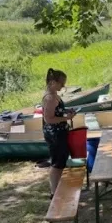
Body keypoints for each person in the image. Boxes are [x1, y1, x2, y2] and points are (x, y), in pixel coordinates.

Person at [42, 68, 76, 198]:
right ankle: (54, 193)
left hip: (59, 132)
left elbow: (57, 112)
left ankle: (58, 190)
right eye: (61, 83)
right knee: (57, 163)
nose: (63, 86)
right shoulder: (50, 98)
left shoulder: (54, 94)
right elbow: (48, 119)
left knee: (61, 161)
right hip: (55, 134)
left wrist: (66, 111)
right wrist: (66, 118)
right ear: (52, 82)